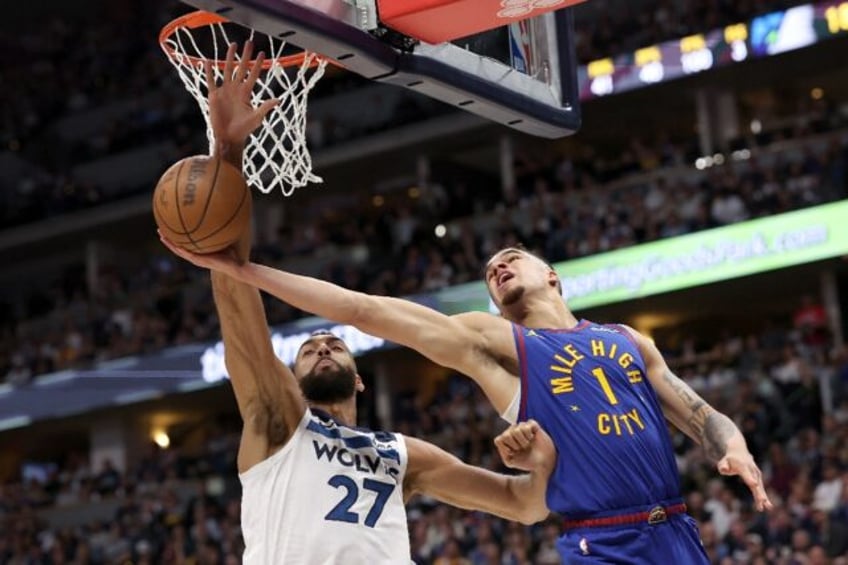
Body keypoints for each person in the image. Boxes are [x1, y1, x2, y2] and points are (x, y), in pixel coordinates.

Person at [164, 46, 773, 564]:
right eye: (489, 270)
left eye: (511, 255)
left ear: (552, 275)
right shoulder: (496, 346)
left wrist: (730, 445)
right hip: (604, 539)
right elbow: (353, 312)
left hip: (676, 527)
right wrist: (236, 253)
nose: (499, 265)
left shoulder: (625, 341)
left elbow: (690, 419)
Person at [169, 42, 557, 564]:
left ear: (358, 378)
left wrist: (541, 466)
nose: (324, 345)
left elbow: (525, 507)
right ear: (293, 378)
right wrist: (228, 159)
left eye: (332, 345)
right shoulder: (279, 423)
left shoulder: (403, 454)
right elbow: (239, 312)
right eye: (309, 350)